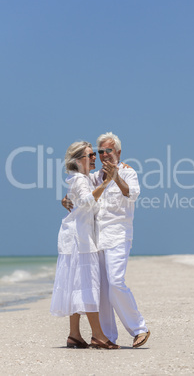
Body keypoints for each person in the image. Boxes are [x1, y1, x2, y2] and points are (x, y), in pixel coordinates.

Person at [63, 132, 150, 348]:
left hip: (119, 236)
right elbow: (80, 192)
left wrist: (116, 177)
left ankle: (139, 328)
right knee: (101, 289)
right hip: (96, 239)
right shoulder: (94, 177)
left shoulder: (128, 173)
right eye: (100, 152)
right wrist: (65, 199)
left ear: (118, 152)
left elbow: (132, 194)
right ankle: (106, 336)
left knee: (115, 282)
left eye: (107, 151)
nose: (103, 155)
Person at [50, 141, 119, 349]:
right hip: (81, 241)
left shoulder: (83, 178)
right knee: (87, 286)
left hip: (76, 238)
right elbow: (87, 202)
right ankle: (98, 335)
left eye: (93, 155)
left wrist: (67, 198)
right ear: (78, 160)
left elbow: (77, 199)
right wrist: (106, 184)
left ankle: (74, 335)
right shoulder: (81, 179)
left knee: (76, 285)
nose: (94, 158)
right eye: (89, 156)